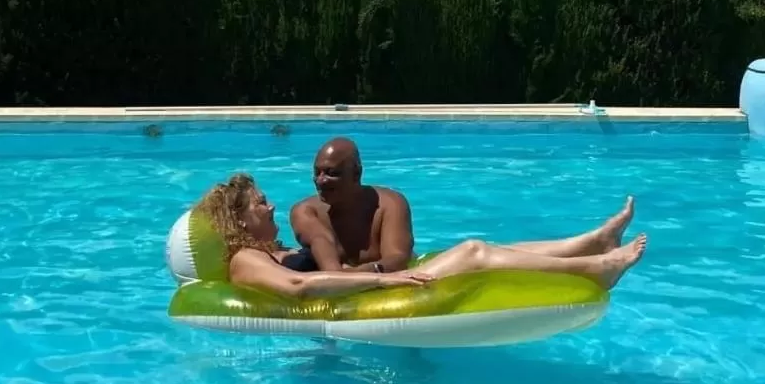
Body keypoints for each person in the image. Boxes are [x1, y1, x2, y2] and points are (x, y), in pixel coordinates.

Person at [193, 172, 647, 299]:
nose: (270, 207)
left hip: (363, 287)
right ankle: (595, 268)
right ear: (239, 221)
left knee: (477, 248)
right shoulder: (244, 261)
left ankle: (588, 244)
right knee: (473, 250)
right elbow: (298, 285)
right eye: (260, 204)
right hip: (365, 298)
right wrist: (384, 280)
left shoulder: (272, 250)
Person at [289, 137, 414, 273]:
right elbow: (330, 269)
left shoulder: (390, 203)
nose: (321, 180)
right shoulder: (305, 211)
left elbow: (398, 258)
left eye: (332, 173)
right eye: (317, 172)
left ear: (356, 173)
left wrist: (355, 273)